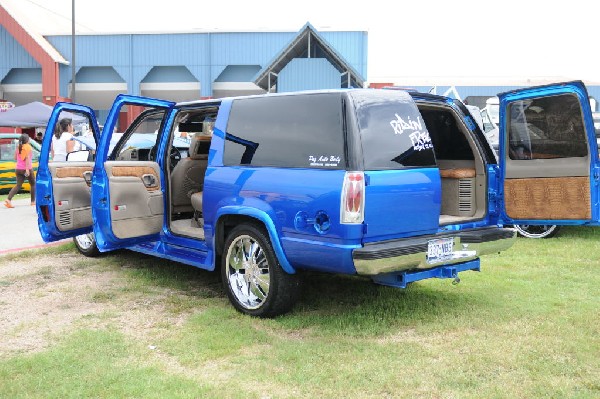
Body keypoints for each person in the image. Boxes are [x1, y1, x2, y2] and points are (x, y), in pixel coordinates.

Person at [4, 133, 36, 208]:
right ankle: (33, 201)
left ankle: (8, 199)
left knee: (18, 185)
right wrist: (27, 170)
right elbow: (27, 159)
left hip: (18, 169)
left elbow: (15, 158)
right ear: (27, 140)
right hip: (26, 169)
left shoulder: (19, 147)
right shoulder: (28, 147)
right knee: (33, 184)